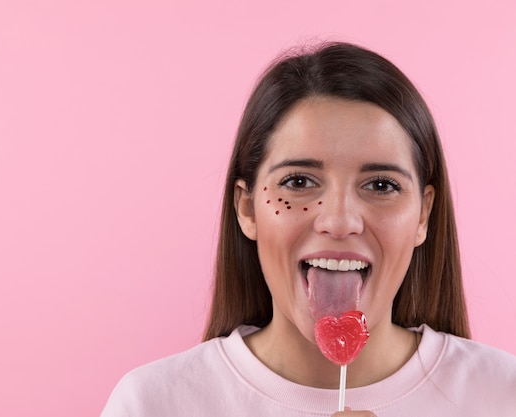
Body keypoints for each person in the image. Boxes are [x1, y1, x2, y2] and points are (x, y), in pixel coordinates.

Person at [101, 42, 516, 416]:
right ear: (247, 208)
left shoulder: (502, 394)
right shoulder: (152, 403)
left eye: (381, 185)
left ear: (423, 215)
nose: (339, 221)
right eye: (298, 182)